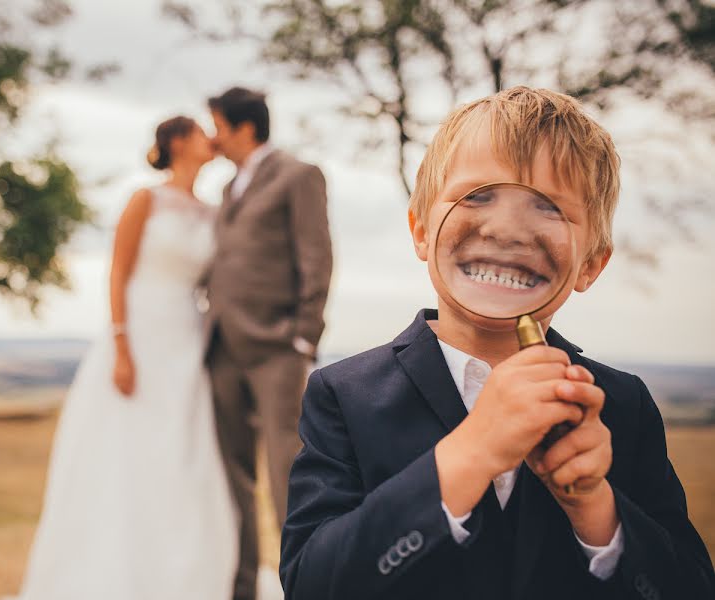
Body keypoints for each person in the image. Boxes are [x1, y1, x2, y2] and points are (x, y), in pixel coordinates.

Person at [280, 87, 715, 599]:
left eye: (548, 208)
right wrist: (470, 453)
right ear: (421, 231)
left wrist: (596, 509)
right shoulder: (343, 394)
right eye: (478, 195)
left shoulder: (622, 405)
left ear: (591, 263)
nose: (507, 229)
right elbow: (311, 583)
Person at [14, 116, 239, 599]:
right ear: (179, 142)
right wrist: (121, 345)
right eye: (203, 133)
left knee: (180, 451)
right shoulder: (145, 199)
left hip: (187, 337)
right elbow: (117, 273)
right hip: (140, 330)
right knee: (125, 451)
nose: (212, 140)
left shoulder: (212, 211)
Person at [204, 86, 333, 600]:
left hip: (277, 348)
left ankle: (299, 586)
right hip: (221, 350)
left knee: (287, 475)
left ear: (243, 128)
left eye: (216, 126)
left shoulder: (298, 176)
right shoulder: (227, 187)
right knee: (234, 478)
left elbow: (317, 256)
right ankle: (243, 589)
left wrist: (304, 337)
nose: (212, 137)